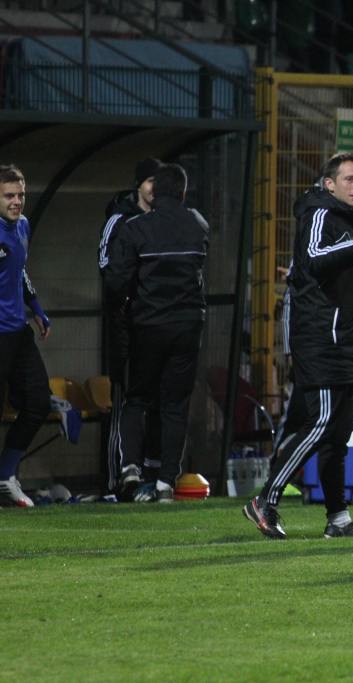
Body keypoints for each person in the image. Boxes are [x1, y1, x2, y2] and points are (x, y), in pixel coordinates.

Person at [244, 153, 353, 539]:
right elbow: (311, 259)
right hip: (320, 339)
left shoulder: (349, 219)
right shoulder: (319, 215)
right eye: (349, 179)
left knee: (338, 433)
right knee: (322, 422)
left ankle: (338, 518)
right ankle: (266, 499)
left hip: (345, 342)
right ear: (329, 184)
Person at [104, 163, 209, 503]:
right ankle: (166, 481)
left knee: (137, 399)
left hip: (148, 326)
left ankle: (131, 468)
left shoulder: (136, 228)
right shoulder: (197, 224)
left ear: (154, 192)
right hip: (188, 326)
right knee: (175, 405)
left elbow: (116, 281)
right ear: (181, 192)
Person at [97, 157, 163, 497]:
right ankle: (115, 481)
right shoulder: (119, 220)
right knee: (124, 398)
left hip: (156, 324)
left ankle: (148, 475)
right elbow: (107, 266)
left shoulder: (166, 221)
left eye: (159, 182)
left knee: (154, 400)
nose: (155, 188)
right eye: (150, 181)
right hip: (127, 324)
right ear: (139, 184)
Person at [0, 164, 52, 508]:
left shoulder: (22, 227)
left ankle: (5, 477)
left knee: (38, 402)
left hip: (17, 334)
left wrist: (35, 306)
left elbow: (19, 271)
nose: (16, 201)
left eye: (20, 194)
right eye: (8, 196)